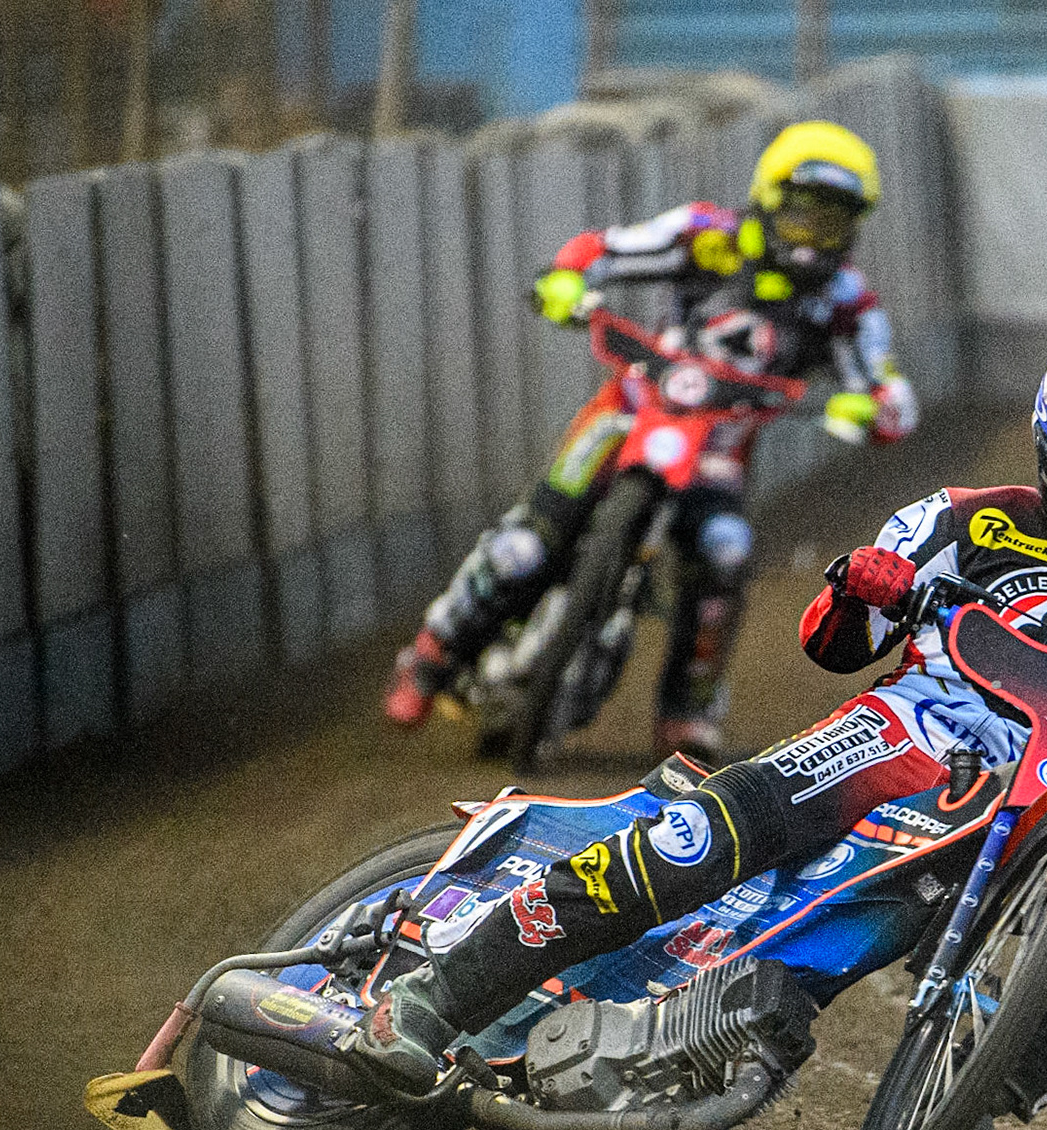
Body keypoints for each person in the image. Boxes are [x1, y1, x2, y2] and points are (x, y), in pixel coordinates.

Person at [355, 318, 1047, 1130]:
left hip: (1025, 823)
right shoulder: (963, 516)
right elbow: (833, 641)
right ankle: (434, 994)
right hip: (897, 741)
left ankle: (979, 1094)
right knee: (697, 841)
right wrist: (865, 585)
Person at [384, 120, 920, 761]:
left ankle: (689, 712)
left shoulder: (848, 302)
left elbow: (886, 384)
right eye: (802, 217)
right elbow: (601, 248)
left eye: (831, 225)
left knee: (726, 549)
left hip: (721, 449)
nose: (812, 240)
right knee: (528, 543)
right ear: (767, 200)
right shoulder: (705, 236)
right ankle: (432, 652)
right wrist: (567, 278)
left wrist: (878, 407)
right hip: (631, 409)